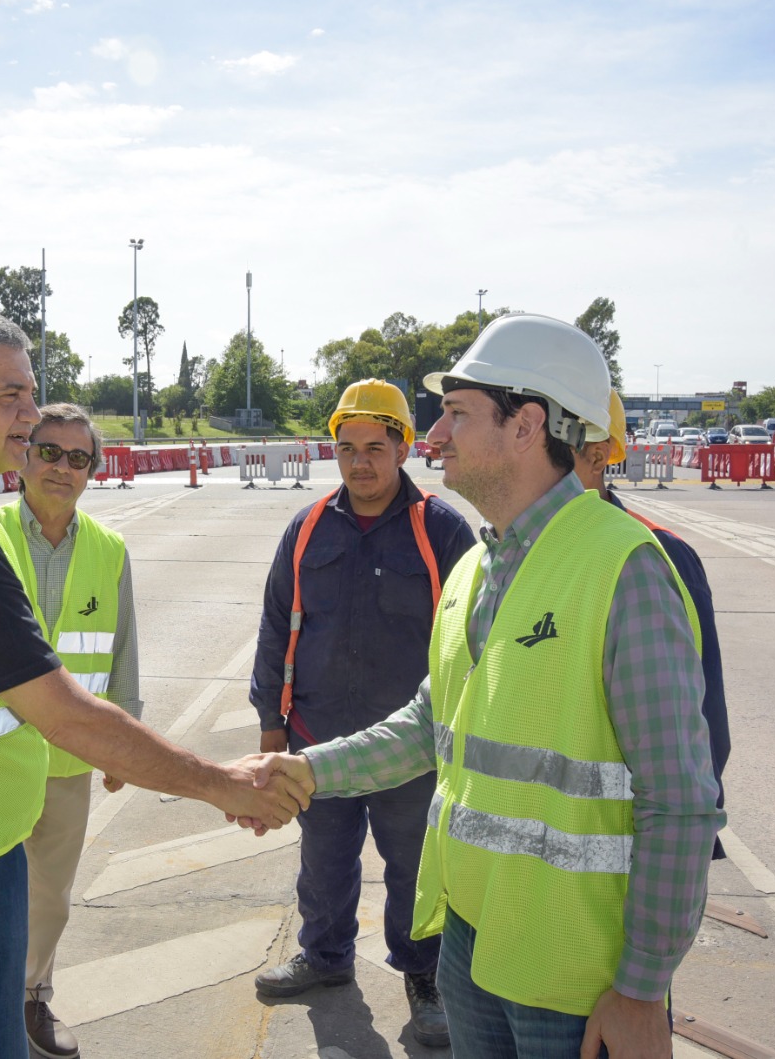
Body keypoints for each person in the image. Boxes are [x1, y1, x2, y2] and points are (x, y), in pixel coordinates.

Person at [0, 305, 307, 1059]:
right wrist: (220, 781)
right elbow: (65, 713)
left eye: (31, 393)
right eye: (8, 395)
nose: (27, 415)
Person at [247, 314, 723, 1059]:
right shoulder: (477, 567)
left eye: (458, 412)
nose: (434, 435)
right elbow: (428, 724)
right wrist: (308, 771)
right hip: (473, 944)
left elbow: (682, 800)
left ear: (527, 424)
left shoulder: (624, 569)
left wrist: (639, 988)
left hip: (573, 979)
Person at [248, 379, 474, 1047]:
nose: (360, 463)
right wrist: (272, 723)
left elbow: (472, 637)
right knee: (323, 861)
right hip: (319, 739)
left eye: (375, 447)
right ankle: (325, 957)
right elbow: (274, 624)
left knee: (413, 865)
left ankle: (425, 976)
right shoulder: (308, 526)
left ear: (405, 446)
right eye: (346, 448)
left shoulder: (443, 530)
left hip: (410, 746)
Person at [0, 403, 142, 1059]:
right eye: (48, 451)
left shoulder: (109, 550)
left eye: (77, 458)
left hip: (67, 756)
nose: (61, 467)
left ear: (93, 471)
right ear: (22, 456)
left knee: (48, 894)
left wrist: (124, 740)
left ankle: (29, 998)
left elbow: (122, 652)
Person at [574, 392, 730, 859]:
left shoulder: (656, 557)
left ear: (598, 456)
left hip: (623, 849)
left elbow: (703, 720)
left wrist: (677, 844)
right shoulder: (514, 551)